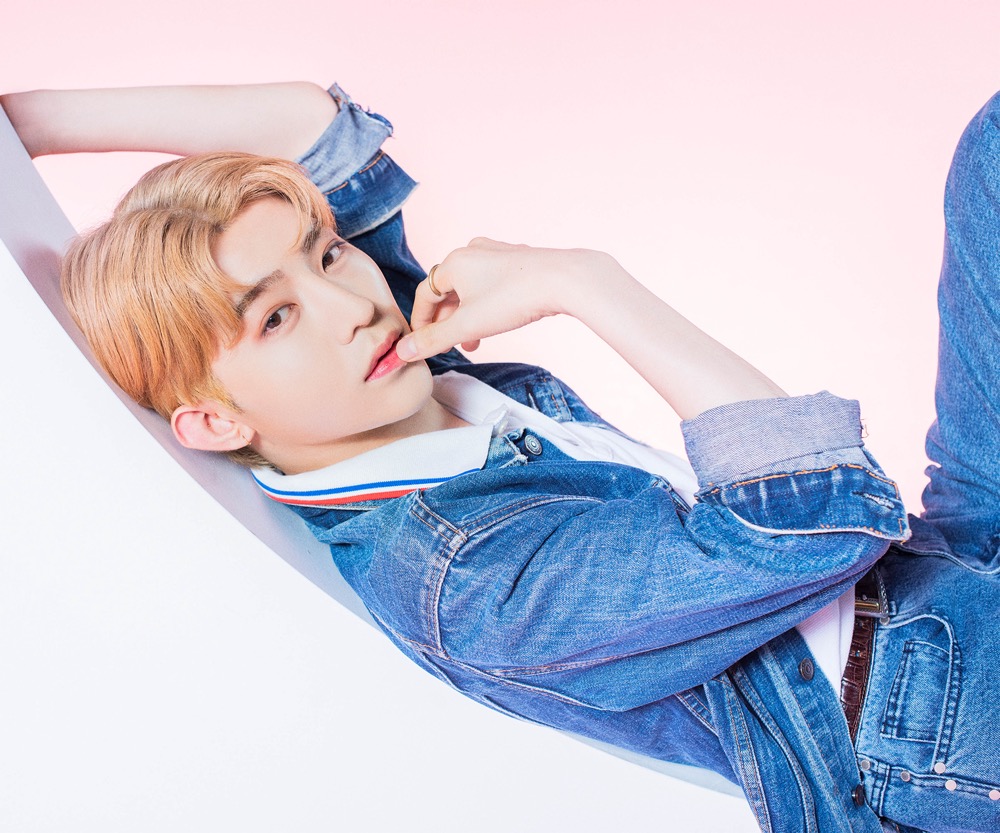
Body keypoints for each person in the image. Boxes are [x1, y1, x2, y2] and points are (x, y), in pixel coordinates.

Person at [2, 81, 996, 833]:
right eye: (275, 316)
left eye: (326, 250)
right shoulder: (459, 575)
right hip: (929, 708)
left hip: (932, 563)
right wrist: (587, 284)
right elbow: (818, 516)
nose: (353, 305)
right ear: (216, 420)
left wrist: (24, 125)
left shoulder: (394, 382)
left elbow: (318, 129)